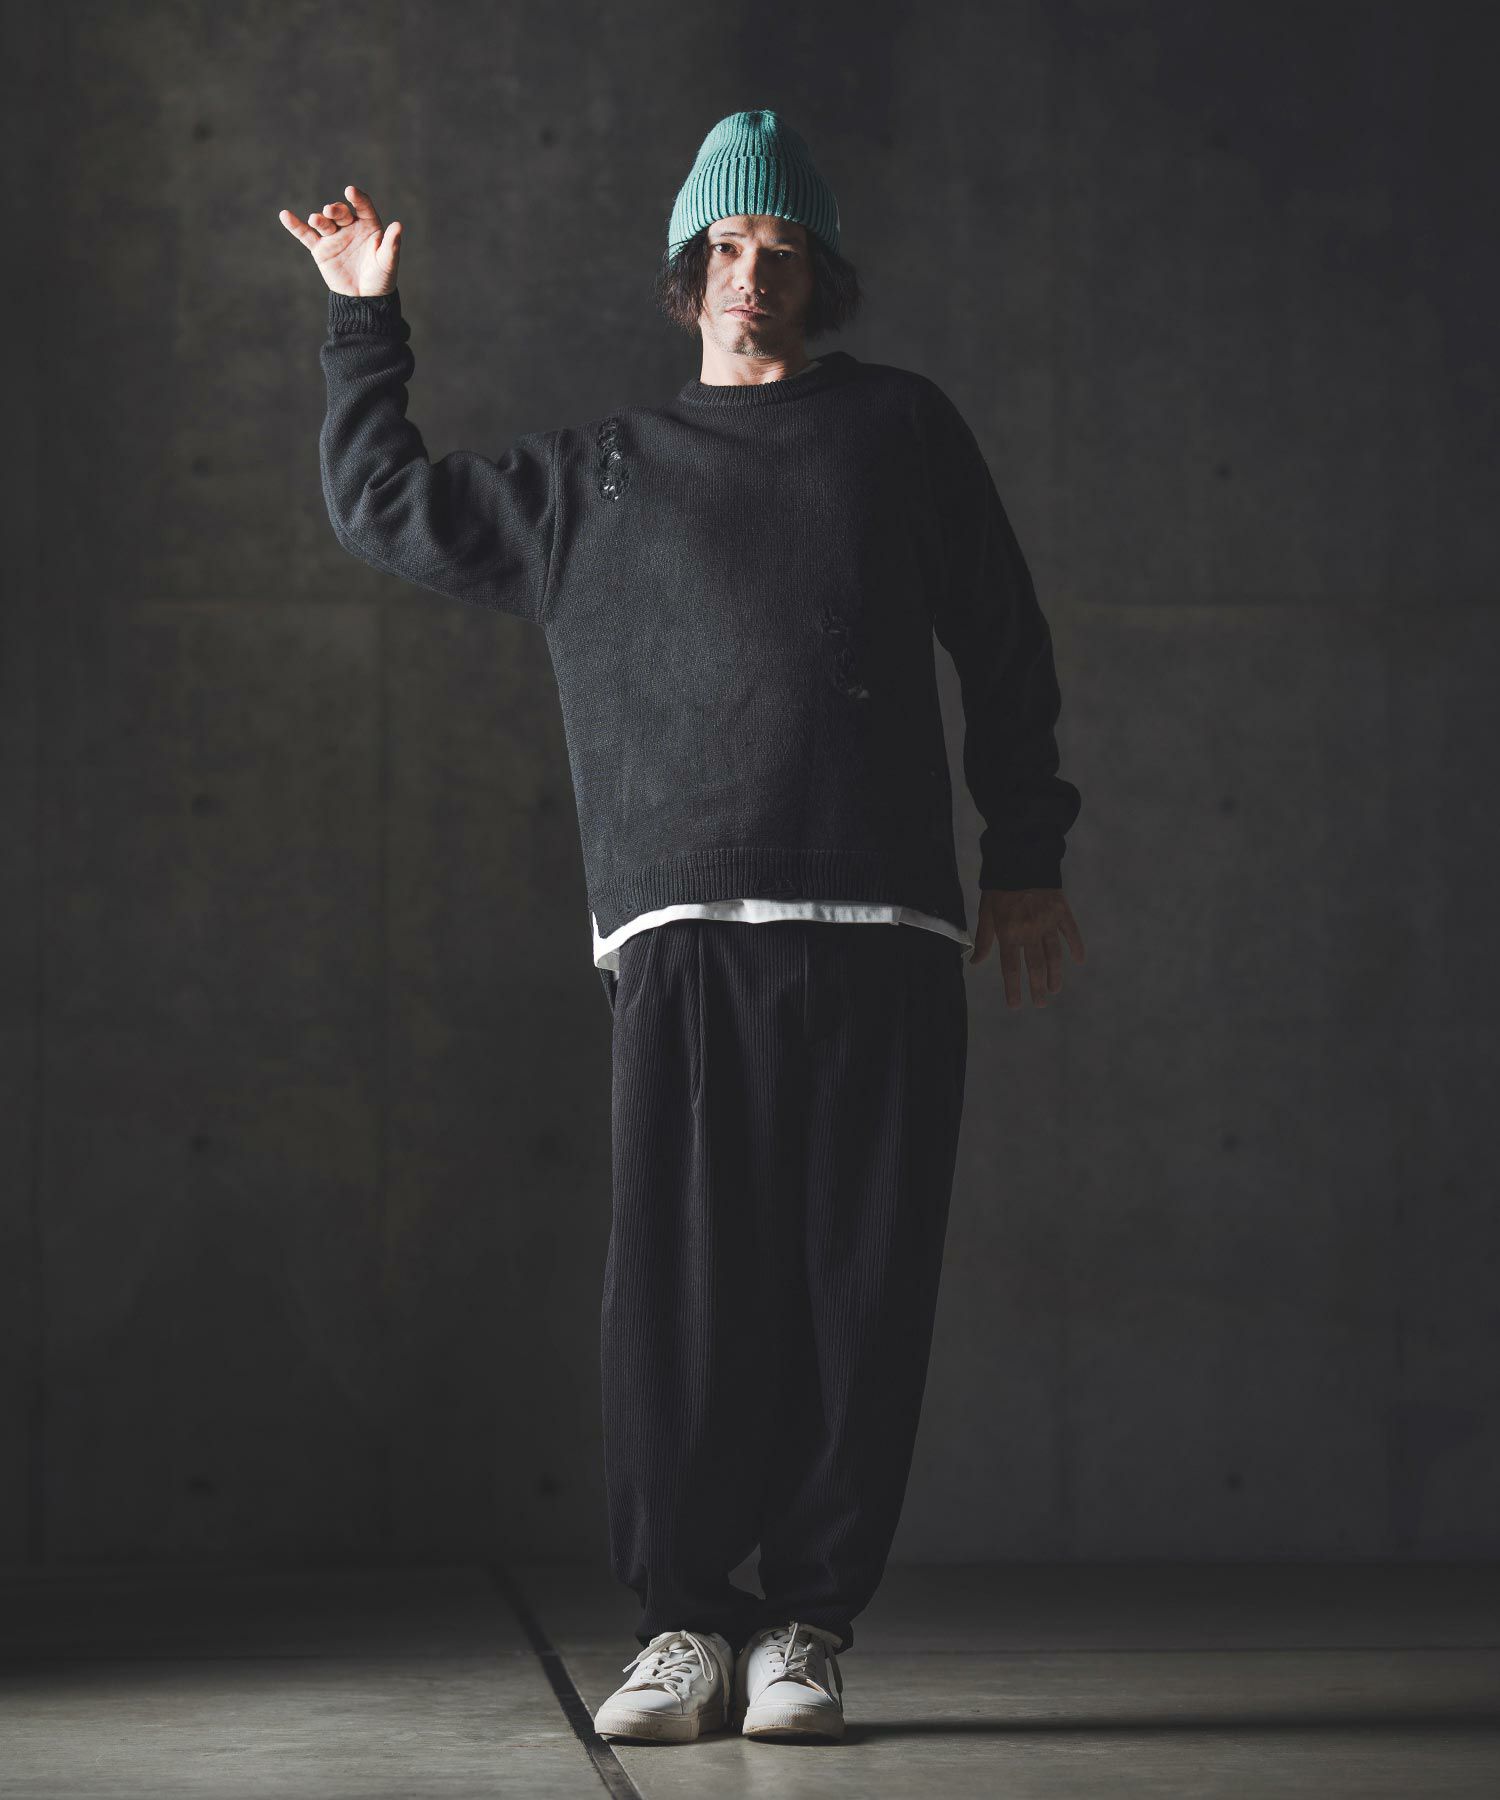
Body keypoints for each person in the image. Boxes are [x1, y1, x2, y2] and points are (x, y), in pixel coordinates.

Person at [279, 106, 1084, 1747]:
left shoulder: (900, 429)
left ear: (819, 278)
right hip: (687, 933)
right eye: (725, 245)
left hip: (884, 929)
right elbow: (385, 504)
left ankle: (806, 1628)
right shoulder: (603, 474)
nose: (751, 273)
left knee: (859, 1292)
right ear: (685, 272)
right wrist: (364, 316)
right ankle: (683, 1628)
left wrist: (1026, 851)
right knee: (684, 1298)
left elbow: (1004, 639)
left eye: (782, 249)